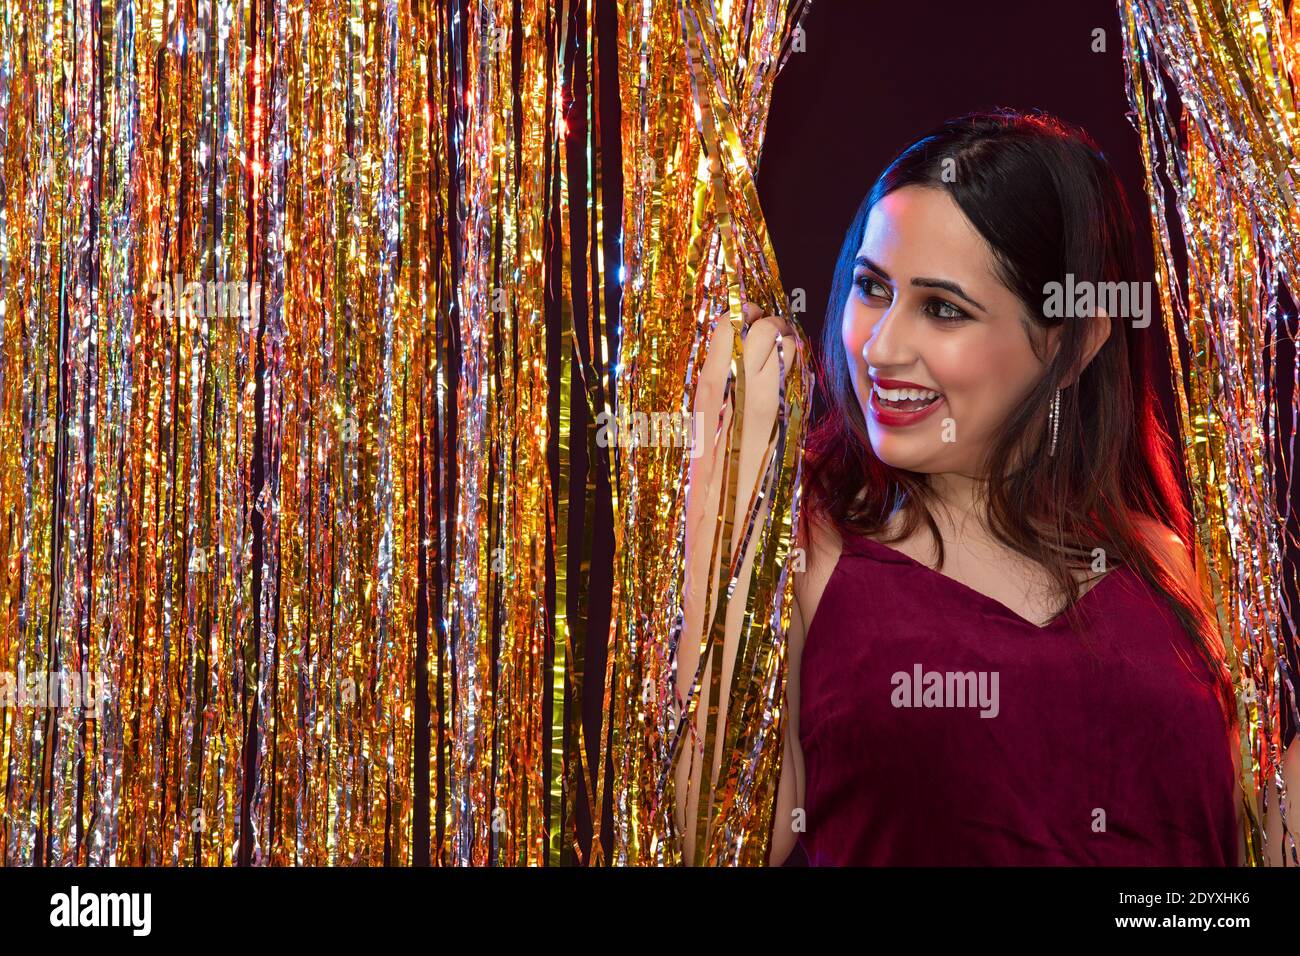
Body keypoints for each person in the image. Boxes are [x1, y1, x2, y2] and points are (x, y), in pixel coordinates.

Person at [676, 109, 1299, 866]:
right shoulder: (812, 552)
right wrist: (728, 479)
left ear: (1073, 345)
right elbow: (710, 838)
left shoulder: (1165, 566)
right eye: (872, 288)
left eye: (943, 309)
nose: (880, 345)